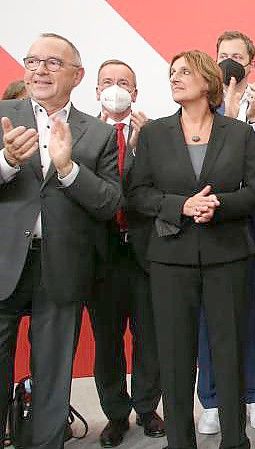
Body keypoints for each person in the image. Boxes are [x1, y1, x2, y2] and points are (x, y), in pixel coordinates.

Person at [127, 49, 255, 449]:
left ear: (208, 82)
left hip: (228, 256)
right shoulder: (153, 134)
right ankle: (180, 442)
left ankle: (235, 440)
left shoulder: (239, 133)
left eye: (184, 72)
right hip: (171, 257)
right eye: (172, 73)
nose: (175, 78)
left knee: (230, 353)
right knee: (174, 355)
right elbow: (137, 194)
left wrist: (217, 206)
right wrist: (180, 206)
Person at [0, 33, 122, 449]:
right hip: (4, 263)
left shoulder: (98, 133)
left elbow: (109, 203)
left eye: (53, 63)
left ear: (78, 75)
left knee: (53, 374)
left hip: (63, 267)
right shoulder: (3, 114)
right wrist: (5, 163)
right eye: (33, 61)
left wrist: (68, 168)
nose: (40, 70)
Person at [195, 29, 255, 435]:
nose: (230, 62)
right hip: (208, 228)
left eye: (237, 56)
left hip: (254, 229)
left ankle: (254, 395)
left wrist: (254, 119)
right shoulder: (199, 106)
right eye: (222, 56)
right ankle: (211, 399)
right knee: (208, 315)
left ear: (251, 63)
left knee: (251, 314)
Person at [88, 58, 164, 447]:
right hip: (102, 253)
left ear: (135, 93)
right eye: (108, 82)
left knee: (149, 334)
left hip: (145, 250)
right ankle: (116, 413)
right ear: (96, 89)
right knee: (108, 338)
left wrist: (141, 146)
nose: (115, 88)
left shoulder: (152, 135)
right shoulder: (83, 134)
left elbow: (157, 189)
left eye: (123, 83)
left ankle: (148, 407)